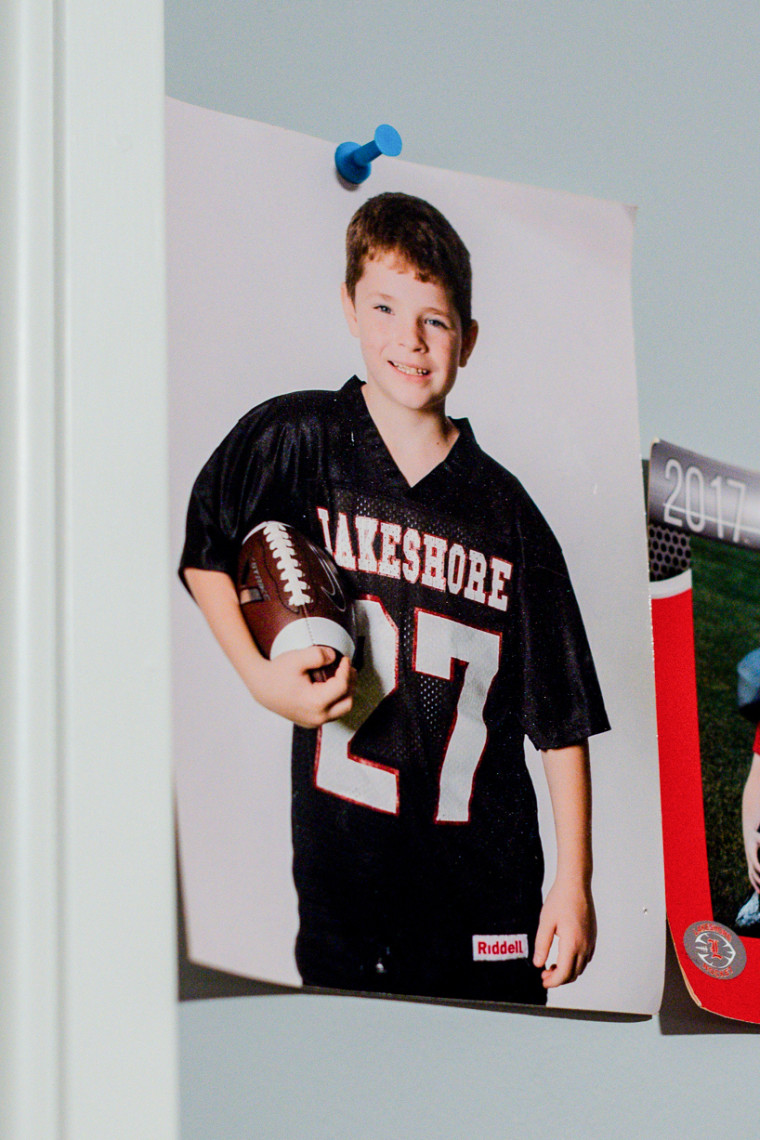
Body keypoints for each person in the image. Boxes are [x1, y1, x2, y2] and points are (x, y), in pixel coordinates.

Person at [180, 192, 610, 1004]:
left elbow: (562, 722)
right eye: (384, 307)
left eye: (436, 321)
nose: (409, 340)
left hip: (482, 884)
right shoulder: (300, 440)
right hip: (347, 875)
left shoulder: (510, 517)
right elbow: (206, 549)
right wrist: (256, 674)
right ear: (349, 308)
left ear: (469, 340)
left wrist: (574, 884)